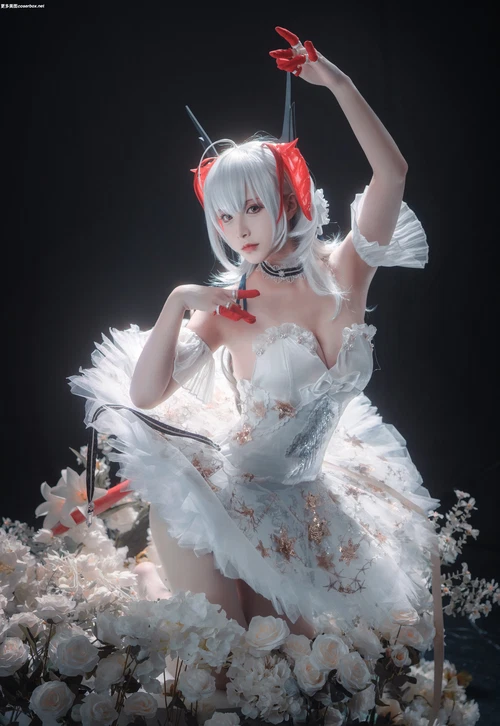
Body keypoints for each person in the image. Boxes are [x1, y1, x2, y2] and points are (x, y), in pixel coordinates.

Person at [68, 27, 443, 706]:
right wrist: (178, 300)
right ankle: (148, 582)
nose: (239, 227)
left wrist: (336, 83)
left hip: (305, 501)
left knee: (290, 676)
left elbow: (393, 175)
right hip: (222, 497)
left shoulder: (347, 270)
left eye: (250, 207)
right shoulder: (231, 308)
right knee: (221, 669)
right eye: (222, 216)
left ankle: (153, 581)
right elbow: (145, 394)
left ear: (286, 198)